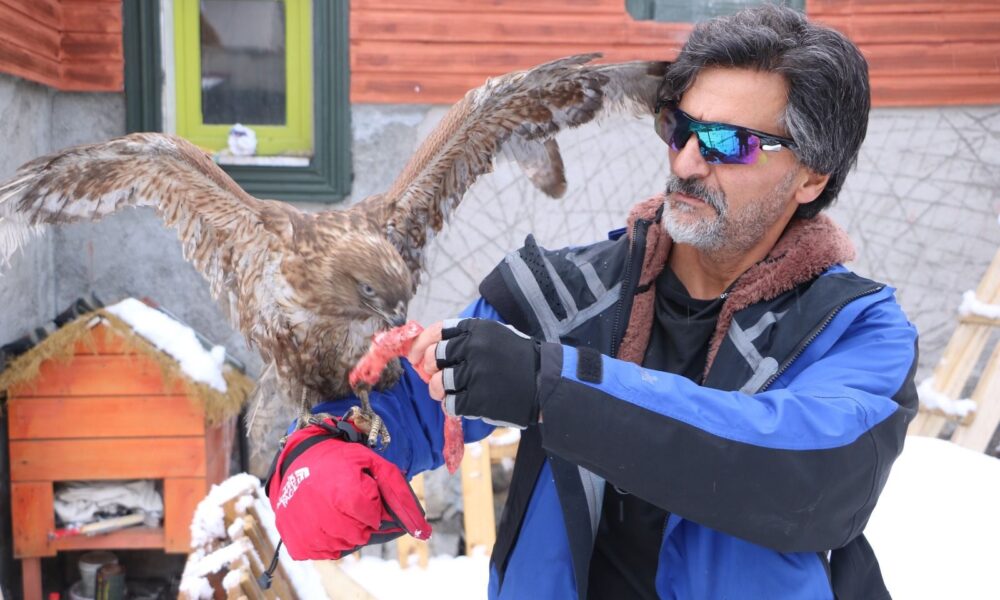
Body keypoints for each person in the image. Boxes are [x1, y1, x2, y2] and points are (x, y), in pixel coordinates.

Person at [282, 5, 917, 599]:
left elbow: (803, 476)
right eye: (680, 128)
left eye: (728, 143)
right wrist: (318, 454)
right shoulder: (563, 295)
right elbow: (411, 405)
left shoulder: (852, 330)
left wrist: (553, 389)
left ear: (811, 176)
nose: (687, 163)